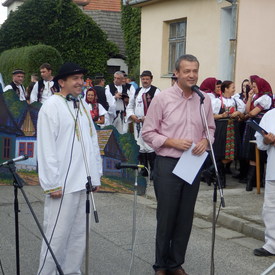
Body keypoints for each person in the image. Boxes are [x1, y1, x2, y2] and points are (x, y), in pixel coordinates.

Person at [142, 54, 215, 275]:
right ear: (177, 73)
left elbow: (210, 129)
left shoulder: (204, 100)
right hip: (167, 164)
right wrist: (170, 141)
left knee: (185, 217)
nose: (192, 75)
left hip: (192, 164)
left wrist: (205, 141)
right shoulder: (162, 98)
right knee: (167, 216)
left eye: (195, 71)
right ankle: (161, 264)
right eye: (187, 71)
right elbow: (147, 132)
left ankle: (176, 263)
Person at [37, 62, 102, 274]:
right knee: (56, 236)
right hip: (62, 185)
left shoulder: (81, 105)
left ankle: (71, 271)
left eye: (81, 78)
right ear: (61, 82)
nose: (80, 82)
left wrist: (96, 175)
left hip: (82, 183)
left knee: (78, 237)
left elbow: (92, 142)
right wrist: (52, 183)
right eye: (75, 79)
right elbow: (46, 148)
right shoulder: (51, 106)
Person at [203, 81, 245, 187]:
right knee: (221, 153)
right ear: (225, 89)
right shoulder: (217, 101)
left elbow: (242, 118)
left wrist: (239, 113)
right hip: (222, 128)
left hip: (232, 129)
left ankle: (209, 171)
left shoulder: (236, 101)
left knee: (230, 155)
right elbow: (210, 116)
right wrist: (222, 115)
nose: (234, 90)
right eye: (232, 87)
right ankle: (221, 181)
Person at [126, 70, 160, 179]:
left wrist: (148, 117)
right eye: (143, 79)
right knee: (140, 145)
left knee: (150, 146)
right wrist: (132, 116)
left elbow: (159, 108)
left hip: (150, 123)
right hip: (138, 124)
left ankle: (154, 170)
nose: (145, 81)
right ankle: (144, 169)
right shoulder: (137, 91)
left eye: (147, 79)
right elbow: (130, 106)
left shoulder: (156, 91)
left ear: (151, 79)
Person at [243, 77, 273, 191]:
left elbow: (251, 113)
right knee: (252, 153)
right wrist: (250, 97)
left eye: (255, 87)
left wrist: (249, 113)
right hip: (254, 125)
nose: (253, 89)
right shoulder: (257, 97)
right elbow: (247, 111)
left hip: (260, 125)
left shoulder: (266, 98)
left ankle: (255, 182)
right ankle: (252, 182)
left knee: (258, 154)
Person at [254, 108, 275, 257]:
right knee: (270, 207)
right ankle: (271, 244)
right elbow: (260, 144)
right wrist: (266, 140)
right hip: (273, 168)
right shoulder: (270, 114)